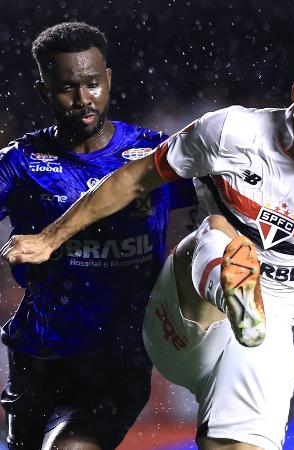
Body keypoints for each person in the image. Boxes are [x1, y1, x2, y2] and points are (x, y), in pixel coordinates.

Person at [1, 42, 294, 449]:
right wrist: (51, 237)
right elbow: (135, 178)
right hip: (183, 314)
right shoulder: (232, 132)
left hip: (263, 339)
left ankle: (245, 304)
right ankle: (233, 284)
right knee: (216, 235)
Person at [0, 22, 196, 450]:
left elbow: (221, 202)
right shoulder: (19, 163)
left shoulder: (154, 154)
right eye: (67, 88)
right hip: (37, 356)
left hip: (118, 361)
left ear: (108, 80)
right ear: (43, 92)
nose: (83, 99)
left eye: (92, 84)